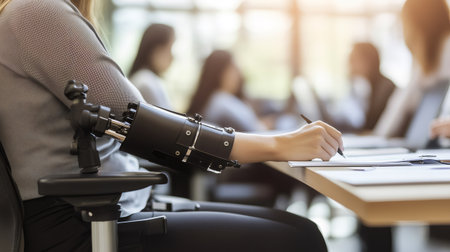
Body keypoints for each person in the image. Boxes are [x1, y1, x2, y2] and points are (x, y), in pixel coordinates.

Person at [0, 0, 343, 251]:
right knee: (300, 239)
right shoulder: (37, 10)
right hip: (80, 223)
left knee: (293, 227)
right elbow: (137, 117)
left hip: (106, 209)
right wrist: (279, 144)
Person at [374, 0, 450, 138]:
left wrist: (378, 137)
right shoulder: (428, 58)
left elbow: (399, 107)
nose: (404, 33)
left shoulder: (442, 53)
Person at [187, 50, 267, 132]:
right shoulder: (223, 104)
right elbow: (256, 132)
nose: (239, 75)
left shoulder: (213, 101)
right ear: (221, 73)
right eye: (234, 69)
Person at [129, 23, 174, 109]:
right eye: (169, 48)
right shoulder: (146, 84)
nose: (172, 57)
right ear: (155, 49)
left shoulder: (149, 80)